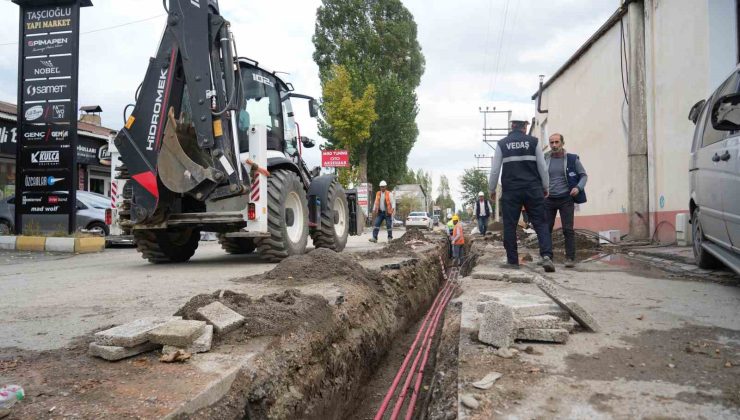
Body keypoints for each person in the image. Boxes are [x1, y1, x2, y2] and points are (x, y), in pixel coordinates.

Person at [488, 112, 555, 272]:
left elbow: (495, 170)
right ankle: (546, 256)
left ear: (512, 126)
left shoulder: (502, 144)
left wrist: (492, 190)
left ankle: (512, 260)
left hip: (511, 191)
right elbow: (543, 168)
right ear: (525, 126)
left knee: (510, 225)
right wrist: (546, 187)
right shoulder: (534, 142)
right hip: (533, 189)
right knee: (540, 223)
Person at [545, 133, 588, 268]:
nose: (554, 145)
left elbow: (583, 176)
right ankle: (546, 257)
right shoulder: (545, 158)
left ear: (562, 143)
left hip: (566, 198)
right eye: (551, 142)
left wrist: (578, 187)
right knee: (546, 229)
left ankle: (570, 258)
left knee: (567, 229)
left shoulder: (572, 159)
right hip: (549, 199)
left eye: (557, 142)